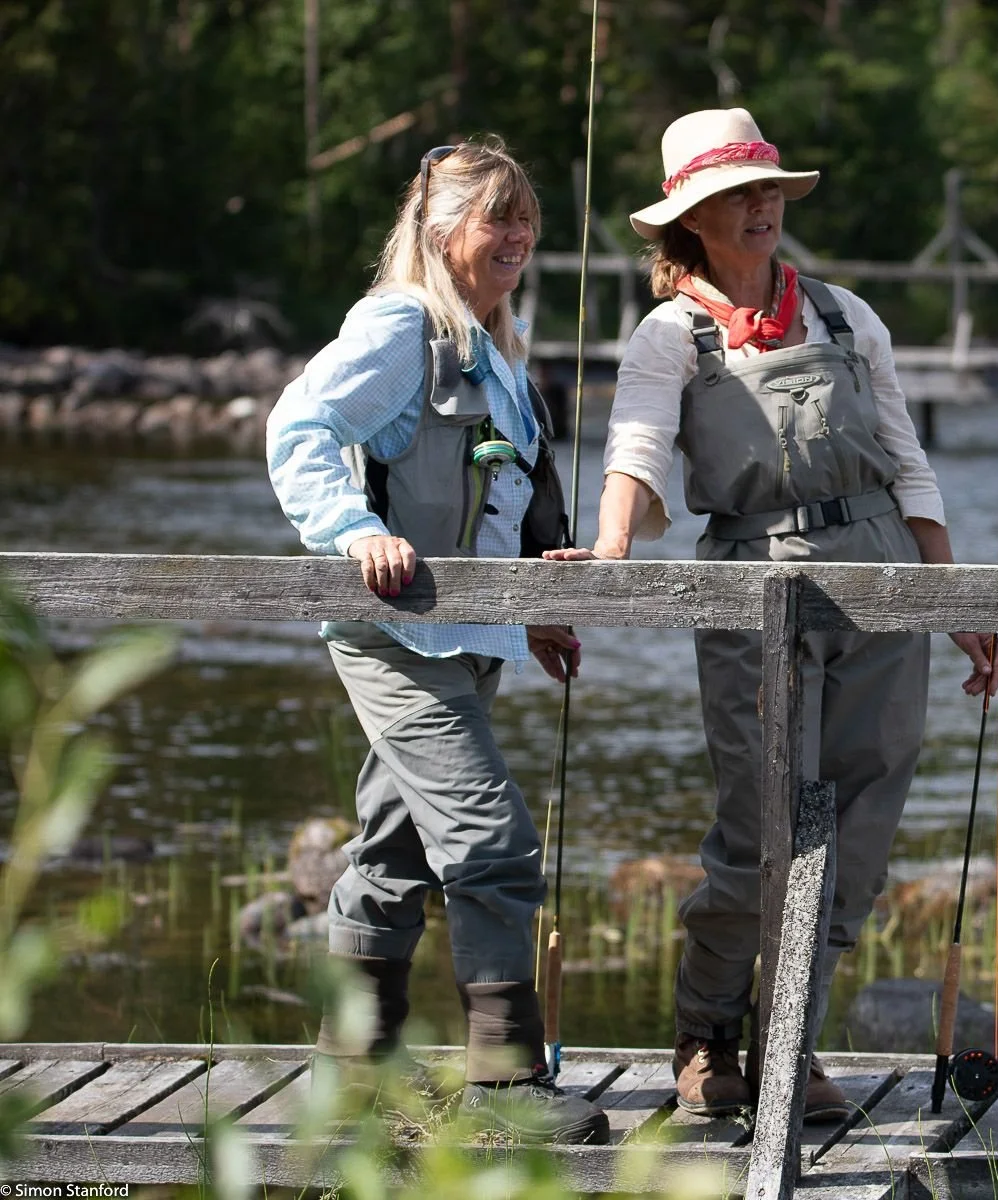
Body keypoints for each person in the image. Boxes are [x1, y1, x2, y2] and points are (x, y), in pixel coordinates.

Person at [545, 108, 998, 1119]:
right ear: (689, 219)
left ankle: (790, 1041)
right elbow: (636, 448)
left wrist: (954, 596)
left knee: (860, 832)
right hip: (753, 579)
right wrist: (612, 551)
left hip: (883, 574)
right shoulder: (671, 334)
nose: (760, 207)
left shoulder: (846, 315)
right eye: (735, 195)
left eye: (768, 191)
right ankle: (707, 1034)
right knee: (764, 829)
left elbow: (908, 464)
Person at [266, 137, 605, 1144]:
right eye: (496, 217)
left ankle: (356, 1071)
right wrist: (357, 533)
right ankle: (506, 1086)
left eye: (526, 218)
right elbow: (299, 430)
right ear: (439, 229)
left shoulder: (500, 350)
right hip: (398, 637)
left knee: (393, 849)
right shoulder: (399, 325)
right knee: (492, 843)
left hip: (474, 638)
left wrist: (537, 604)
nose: (518, 236)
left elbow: (507, 497)